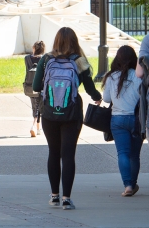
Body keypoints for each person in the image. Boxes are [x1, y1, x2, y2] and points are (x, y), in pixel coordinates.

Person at [32, 27, 102, 210]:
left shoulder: (46, 59)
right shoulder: (79, 61)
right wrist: (98, 97)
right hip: (71, 113)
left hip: (49, 114)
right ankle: (66, 198)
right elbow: (89, 88)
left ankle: (54, 196)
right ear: (74, 41)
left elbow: (36, 86)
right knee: (68, 154)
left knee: (53, 153)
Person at [102, 45, 142, 197]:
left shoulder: (111, 76)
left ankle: (128, 186)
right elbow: (143, 98)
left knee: (123, 153)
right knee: (134, 155)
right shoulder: (138, 76)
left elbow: (106, 98)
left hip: (117, 119)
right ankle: (133, 182)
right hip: (136, 119)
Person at [24, 41, 45, 137]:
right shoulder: (43, 59)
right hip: (39, 87)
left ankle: (38, 128)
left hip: (29, 86)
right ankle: (33, 126)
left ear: (34, 48)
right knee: (38, 108)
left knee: (35, 107)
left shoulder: (27, 58)